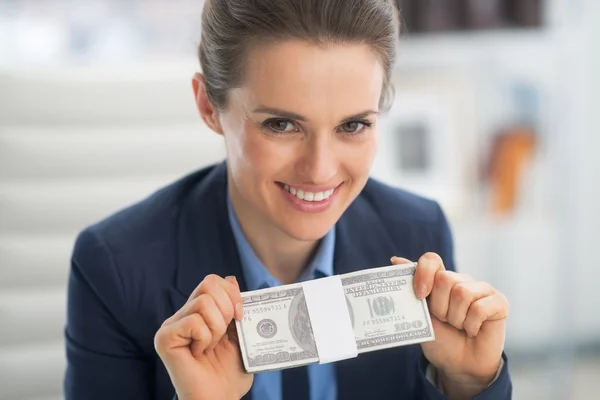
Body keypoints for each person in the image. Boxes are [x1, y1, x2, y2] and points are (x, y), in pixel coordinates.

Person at [64, 0, 512, 399]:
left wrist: (471, 385)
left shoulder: (417, 230)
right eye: (281, 125)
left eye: (353, 125)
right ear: (208, 107)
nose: (319, 170)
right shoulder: (114, 266)